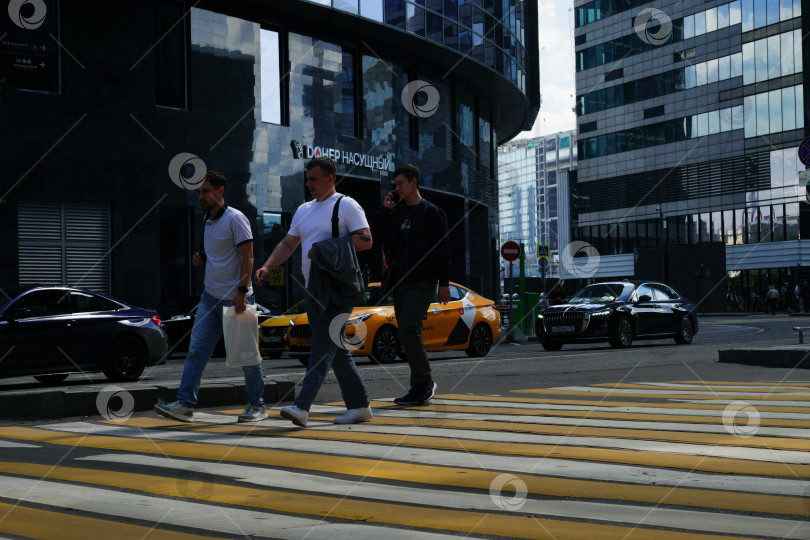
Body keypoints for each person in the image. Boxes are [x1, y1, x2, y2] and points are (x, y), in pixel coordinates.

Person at [254, 157, 373, 427]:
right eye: (307, 179)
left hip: (337, 290)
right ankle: (360, 406)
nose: (309, 184)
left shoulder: (346, 205)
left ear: (330, 179)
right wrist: (266, 265)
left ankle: (302, 406)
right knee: (337, 350)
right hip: (313, 290)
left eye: (314, 179)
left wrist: (324, 248)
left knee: (321, 344)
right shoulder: (303, 210)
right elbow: (287, 244)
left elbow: (366, 240)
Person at [154, 171, 266, 423]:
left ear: (220, 191)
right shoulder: (207, 220)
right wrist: (200, 258)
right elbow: (217, 254)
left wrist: (241, 292)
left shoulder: (236, 219)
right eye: (198, 192)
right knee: (196, 353)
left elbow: (247, 258)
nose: (200, 196)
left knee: (246, 356)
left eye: (205, 191)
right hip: (209, 299)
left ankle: (257, 405)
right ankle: (184, 404)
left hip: (236, 299)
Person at [378, 164, 452, 406]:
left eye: (400, 183)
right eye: (395, 184)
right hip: (400, 281)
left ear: (413, 183)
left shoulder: (431, 212)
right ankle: (417, 387)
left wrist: (444, 282)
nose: (396, 188)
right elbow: (378, 236)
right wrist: (386, 210)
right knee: (407, 331)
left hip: (423, 280)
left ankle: (424, 382)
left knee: (408, 327)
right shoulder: (397, 214)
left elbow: (442, 249)